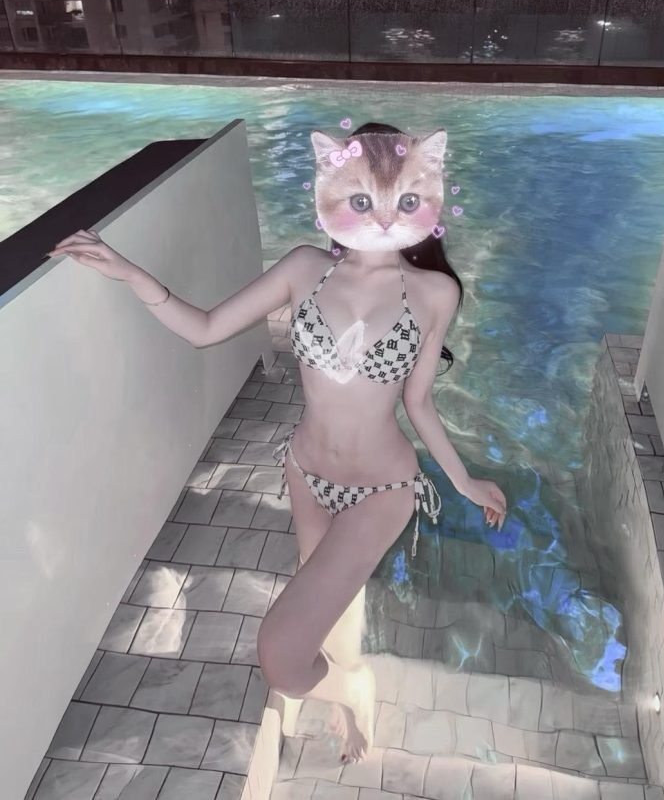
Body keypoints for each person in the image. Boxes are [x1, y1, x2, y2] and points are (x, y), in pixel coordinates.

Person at [46, 121, 508, 764]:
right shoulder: (304, 269)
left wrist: (463, 481)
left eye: (398, 198)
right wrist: (128, 273)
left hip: (383, 487)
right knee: (328, 596)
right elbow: (206, 328)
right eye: (362, 197)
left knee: (283, 657)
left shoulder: (436, 292)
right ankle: (343, 681)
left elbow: (417, 402)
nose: (379, 215)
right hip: (306, 470)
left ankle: (350, 688)